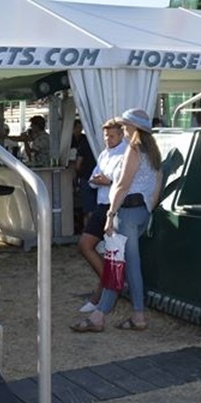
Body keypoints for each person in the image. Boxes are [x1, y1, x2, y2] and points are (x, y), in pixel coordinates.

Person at [71, 108, 162, 333]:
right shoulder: (152, 151)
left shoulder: (134, 149)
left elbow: (122, 185)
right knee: (122, 264)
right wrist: (148, 208)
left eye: (125, 125)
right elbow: (156, 183)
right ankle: (117, 314)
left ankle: (104, 316)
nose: (123, 128)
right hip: (142, 211)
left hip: (127, 212)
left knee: (118, 264)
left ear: (132, 127)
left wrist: (111, 215)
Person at [75, 119, 128, 312]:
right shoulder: (105, 153)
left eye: (112, 136)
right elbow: (93, 178)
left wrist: (107, 181)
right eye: (106, 136)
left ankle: (105, 291)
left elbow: (125, 182)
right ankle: (110, 284)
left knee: (111, 252)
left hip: (116, 206)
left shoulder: (126, 153)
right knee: (85, 245)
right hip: (102, 205)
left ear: (121, 135)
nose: (108, 139)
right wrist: (102, 181)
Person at [70, 119, 96, 234]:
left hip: (86, 177)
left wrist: (78, 175)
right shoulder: (99, 142)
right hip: (101, 179)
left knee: (88, 208)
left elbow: (78, 164)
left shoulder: (84, 142)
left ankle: (88, 232)